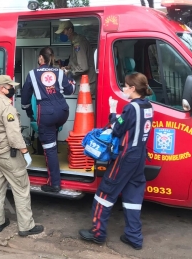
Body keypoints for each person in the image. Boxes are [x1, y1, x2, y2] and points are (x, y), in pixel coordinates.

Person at [78, 73, 153, 250]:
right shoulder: (148, 106)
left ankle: (98, 233)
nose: (124, 89)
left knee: (104, 194)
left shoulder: (131, 108)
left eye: (126, 86)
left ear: (133, 88)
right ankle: (134, 237)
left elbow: (118, 129)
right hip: (140, 157)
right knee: (133, 198)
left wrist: (112, 112)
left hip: (125, 157)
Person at [0, 75, 44, 237]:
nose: (13, 90)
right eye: (11, 87)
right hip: (7, 154)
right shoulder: (6, 107)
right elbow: (14, 135)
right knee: (21, 188)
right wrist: (25, 152)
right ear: (3, 88)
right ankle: (26, 226)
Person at [21, 47, 75, 193]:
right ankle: (53, 146)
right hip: (63, 112)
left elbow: (25, 96)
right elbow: (70, 90)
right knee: (52, 135)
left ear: (40, 58)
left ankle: (54, 184)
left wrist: (28, 110)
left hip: (46, 113)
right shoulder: (59, 72)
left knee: (49, 149)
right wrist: (69, 77)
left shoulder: (32, 74)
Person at [55, 20, 97, 95]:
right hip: (85, 82)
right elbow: (77, 61)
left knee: (83, 106)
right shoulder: (75, 42)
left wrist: (70, 72)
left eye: (63, 32)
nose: (62, 34)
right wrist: (68, 67)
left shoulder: (78, 43)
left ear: (70, 30)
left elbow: (83, 67)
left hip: (87, 82)